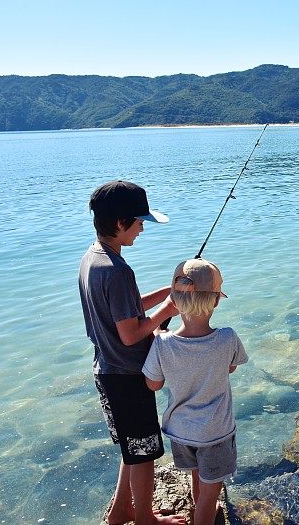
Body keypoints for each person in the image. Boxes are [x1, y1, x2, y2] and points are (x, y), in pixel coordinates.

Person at [78, 180, 185, 525]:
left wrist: (168, 292)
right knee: (145, 453)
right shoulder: (118, 270)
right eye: (139, 222)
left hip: (106, 371)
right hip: (126, 376)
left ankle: (122, 510)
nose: (142, 229)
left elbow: (127, 310)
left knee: (132, 446)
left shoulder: (93, 259)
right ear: (121, 223)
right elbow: (130, 334)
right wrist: (169, 310)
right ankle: (145, 520)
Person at [143, 258, 248, 525]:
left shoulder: (162, 343)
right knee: (210, 495)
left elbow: (153, 384)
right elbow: (231, 368)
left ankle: (202, 512)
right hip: (215, 432)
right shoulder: (227, 337)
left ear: (174, 302)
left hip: (180, 432)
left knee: (196, 476)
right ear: (215, 301)